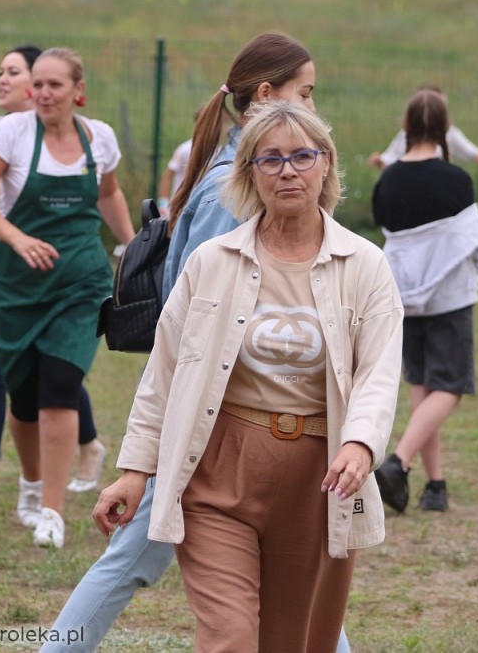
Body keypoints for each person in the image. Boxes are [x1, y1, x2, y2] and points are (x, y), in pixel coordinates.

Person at [47, 33, 352, 652]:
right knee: (133, 558)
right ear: (265, 97)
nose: (313, 109)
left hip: (238, 420)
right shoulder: (231, 189)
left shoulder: (246, 174)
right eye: (305, 93)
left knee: (293, 586)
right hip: (214, 421)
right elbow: (195, 320)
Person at [94, 101, 402, 652]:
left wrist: (361, 443)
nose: (288, 170)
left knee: (293, 641)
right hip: (218, 476)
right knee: (231, 637)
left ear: (326, 165)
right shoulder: (212, 261)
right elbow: (164, 371)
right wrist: (134, 469)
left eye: (303, 157)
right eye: (271, 159)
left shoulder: (365, 265)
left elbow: (380, 372)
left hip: (320, 478)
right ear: (250, 174)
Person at [0, 48, 134, 549]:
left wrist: (136, 247)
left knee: (60, 384)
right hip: (14, 289)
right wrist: (15, 238)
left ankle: (52, 512)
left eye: (54, 85)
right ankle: (31, 485)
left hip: (80, 285)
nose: (42, 93)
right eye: (37, 84)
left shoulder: (99, 138)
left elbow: (108, 195)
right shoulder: (9, 134)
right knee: (24, 399)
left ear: (78, 90)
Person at [372, 89, 478, 514]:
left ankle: (435, 485)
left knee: (424, 387)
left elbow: (390, 233)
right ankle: (398, 463)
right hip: (449, 299)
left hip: (405, 298)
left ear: (405, 127)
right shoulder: (457, 180)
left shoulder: (388, 180)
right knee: (451, 387)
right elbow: (474, 238)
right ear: (445, 129)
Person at [367, 86, 478, 178]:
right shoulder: (404, 136)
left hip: (439, 183)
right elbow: (391, 157)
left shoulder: (451, 135)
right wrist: (380, 161)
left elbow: (473, 152)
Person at [156, 134, 192, 215]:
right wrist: (163, 204)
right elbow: (167, 176)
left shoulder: (219, 151)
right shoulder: (185, 149)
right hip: (179, 209)